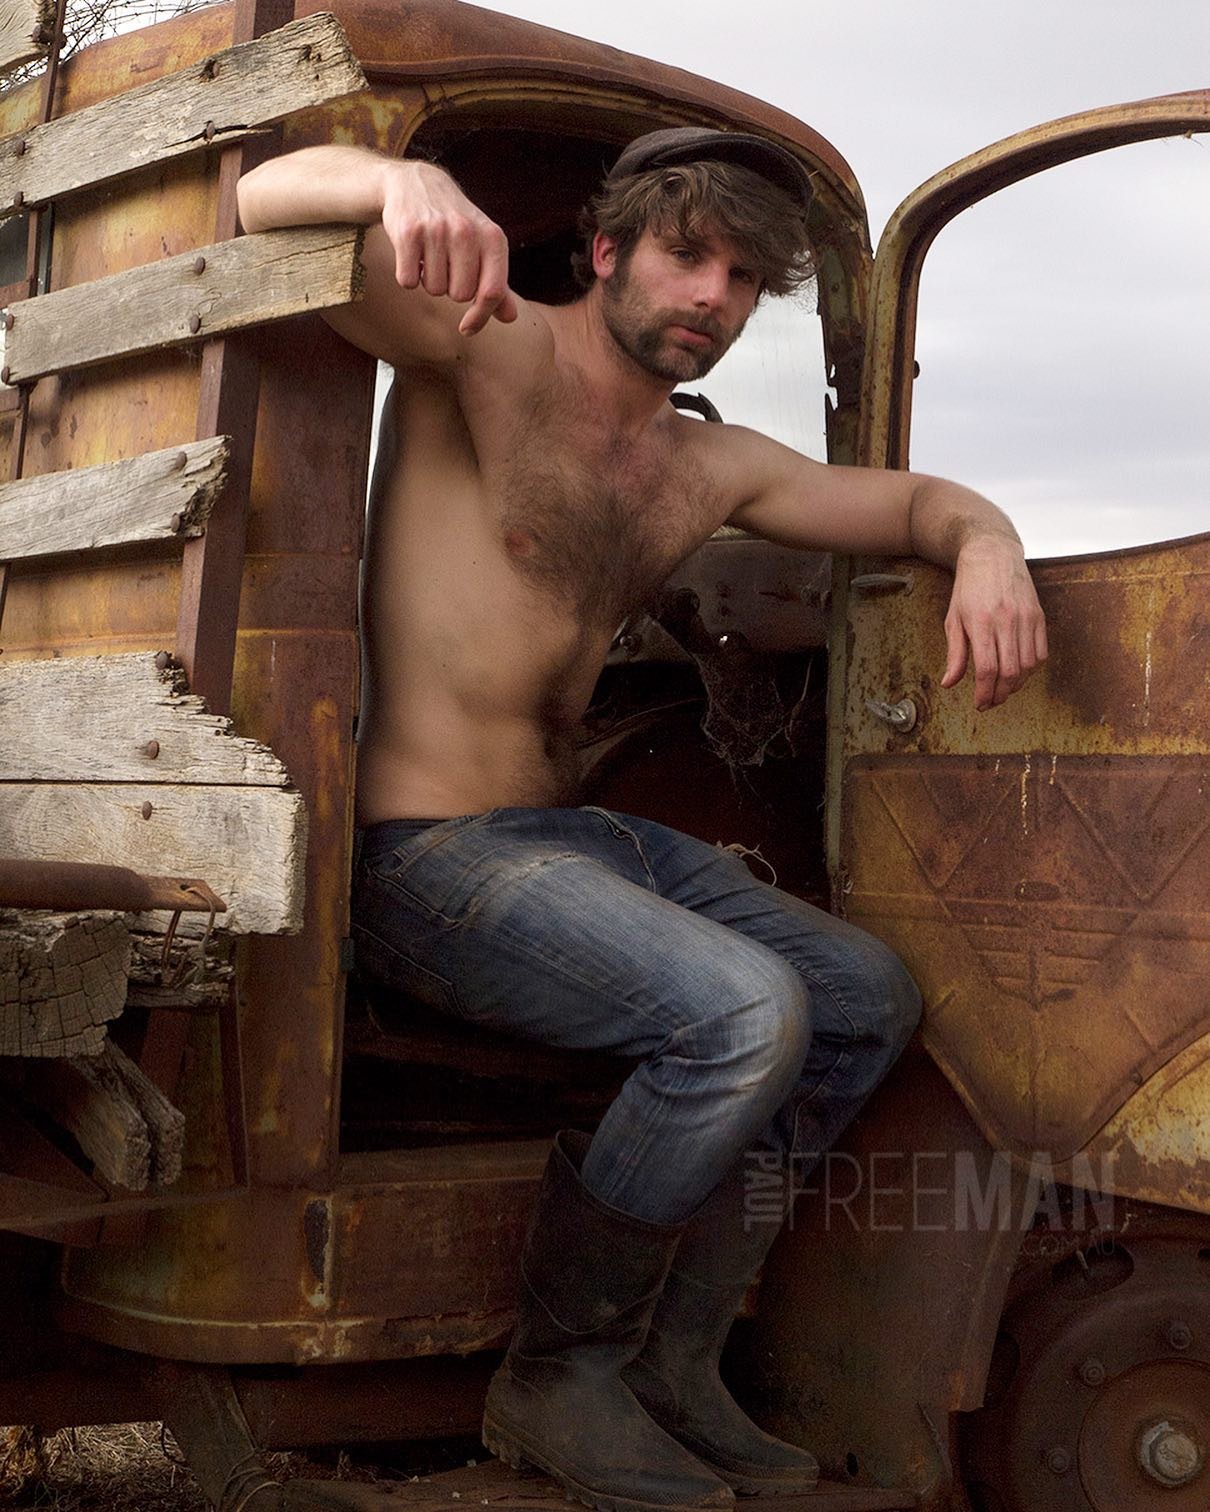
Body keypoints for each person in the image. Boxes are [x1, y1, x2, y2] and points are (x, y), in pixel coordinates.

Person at [237, 127, 1047, 1512]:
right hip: (419, 855)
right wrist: (394, 180)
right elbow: (251, 204)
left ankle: (673, 1366)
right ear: (607, 251)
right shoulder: (487, 349)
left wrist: (988, 545)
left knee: (858, 994)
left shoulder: (699, 468)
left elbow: (914, 501)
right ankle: (559, 1372)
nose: (710, 299)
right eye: (687, 256)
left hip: (566, 837)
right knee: (742, 1013)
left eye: (740, 279)